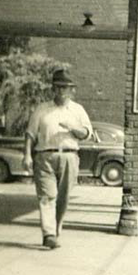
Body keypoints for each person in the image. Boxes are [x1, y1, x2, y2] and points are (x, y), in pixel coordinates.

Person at [23, 69, 93, 250]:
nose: (61, 91)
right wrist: (27, 155)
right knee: (47, 196)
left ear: (72, 90)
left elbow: (87, 133)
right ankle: (49, 234)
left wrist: (73, 128)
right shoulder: (42, 109)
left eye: (65, 88)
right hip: (45, 156)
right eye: (58, 87)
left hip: (69, 156)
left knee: (63, 197)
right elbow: (30, 134)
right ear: (53, 89)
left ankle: (56, 227)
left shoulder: (77, 110)